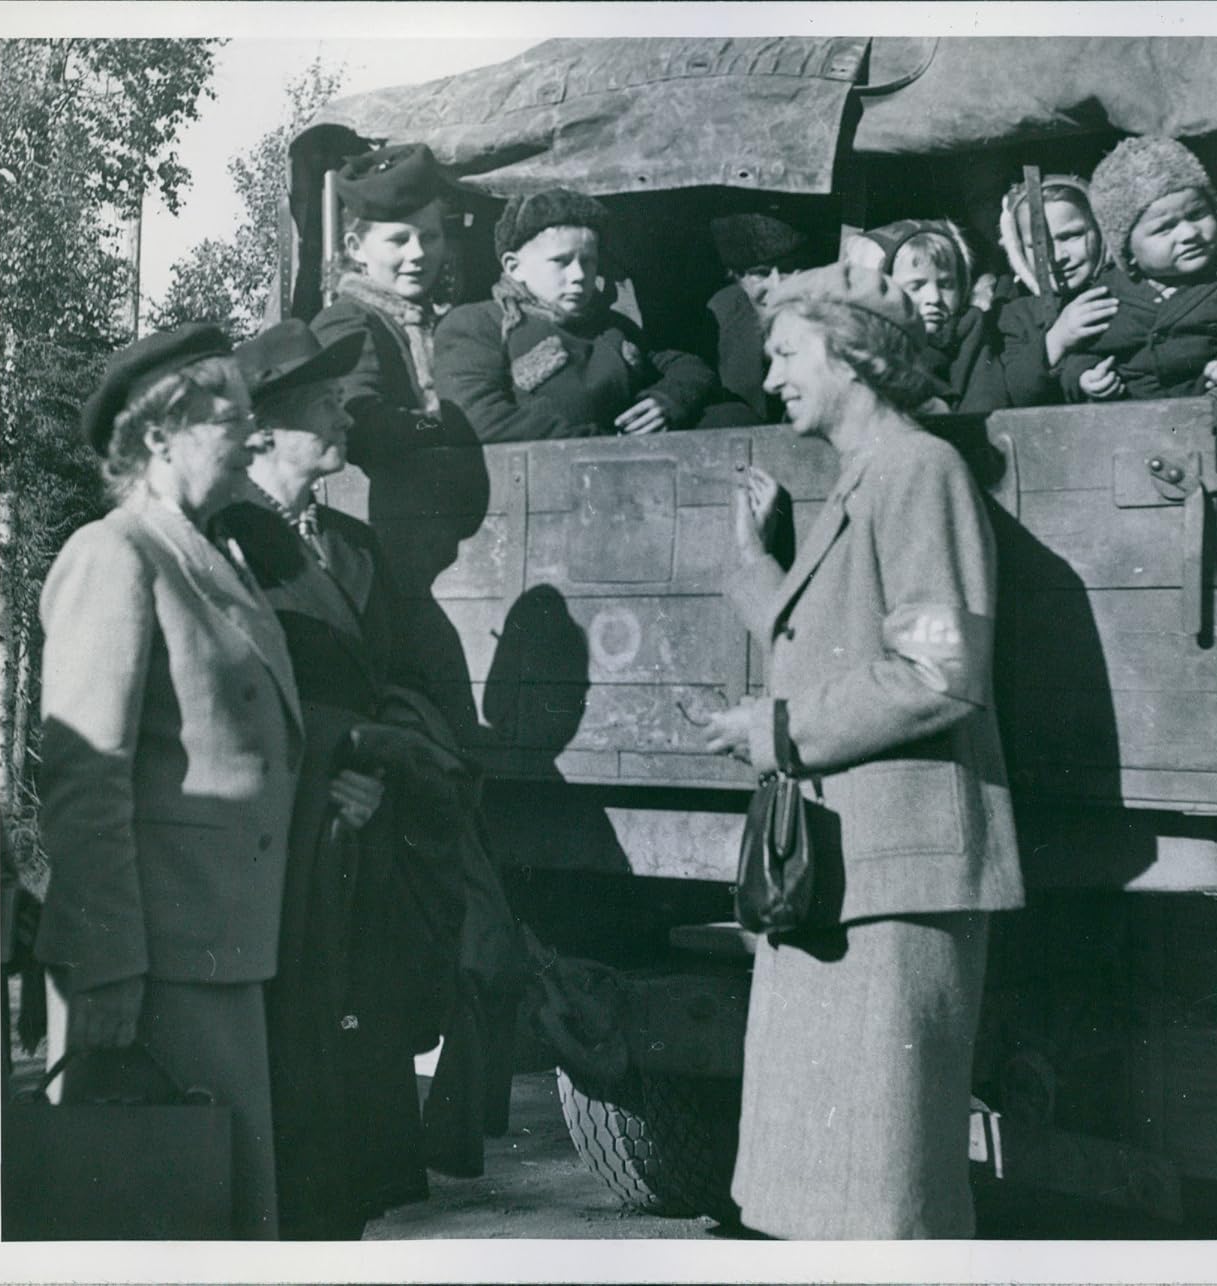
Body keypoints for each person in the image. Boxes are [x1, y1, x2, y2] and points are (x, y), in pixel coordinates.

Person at [702, 264, 1023, 1238]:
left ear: (852, 354)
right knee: (832, 1191)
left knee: (884, 1198)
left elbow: (938, 673)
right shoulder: (867, 478)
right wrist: (754, 566)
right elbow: (831, 647)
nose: (771, 379)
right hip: (850, 873)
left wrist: (779, 730)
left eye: (787, 354)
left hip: (898, 877)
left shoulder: (919, 470)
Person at [33, 324, 301, 1239]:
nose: (255, 437)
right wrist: (108, 969)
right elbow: (85, 782)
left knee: (218, 1214)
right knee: (159, 1221)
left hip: (221, 948)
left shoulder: (215, 557)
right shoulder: (116, 554)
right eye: (234, 418)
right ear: (160, 435)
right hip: (154, 966)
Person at [219, 320, 433, 1238]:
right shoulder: (226, 545)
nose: (344, 419)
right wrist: (329, 774)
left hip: (361, 850)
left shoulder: (354, 545)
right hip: (284, 864)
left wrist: (385, 762)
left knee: (353, 1134)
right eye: (323, 405)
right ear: (262, 430)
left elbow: (398, 678)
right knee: (293, 1121)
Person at [434, 187, 715, 441]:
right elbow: (478, 419)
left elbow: (691, 368)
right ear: (514, 266)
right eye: (561, 261)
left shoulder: (613, 328)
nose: (579, 275)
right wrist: (603, 444)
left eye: (588, 261)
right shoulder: (479, 324)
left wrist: (667, 400)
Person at [311, 142, 470, 471]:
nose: (418, 253)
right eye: (399, 240)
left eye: (429, 237)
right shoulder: (346, 321)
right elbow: (361, 423)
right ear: (355, 247)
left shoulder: (442, 320)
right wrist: (444, 426)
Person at [1060, 135, 1217, 402]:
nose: (1189, 233)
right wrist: (1085, 377)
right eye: (1164, 228)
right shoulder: (1107, 293)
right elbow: (1080, 354)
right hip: (1130, 418)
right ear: (1127, 249)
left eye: (1197, 214)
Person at [855, 218, 1007, 414]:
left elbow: (986, 400)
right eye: (916, 286)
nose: (934, 297)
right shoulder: (873, 346)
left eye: (946, 284)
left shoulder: (971, 330)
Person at [995, 174, 1115, 406]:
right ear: (1018, 249)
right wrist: (1056, 339)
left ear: (1100, 230)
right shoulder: (1016, 316)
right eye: (1037, 245)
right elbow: (1018, 392)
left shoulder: (1123, 290)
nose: (1057, 257)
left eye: (1070, 236)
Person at [702, 211, 813, 423]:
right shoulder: (721, 312)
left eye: (788, 269)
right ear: (736, 276)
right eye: (762, 273)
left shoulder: (822, 310)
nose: (777, 285)